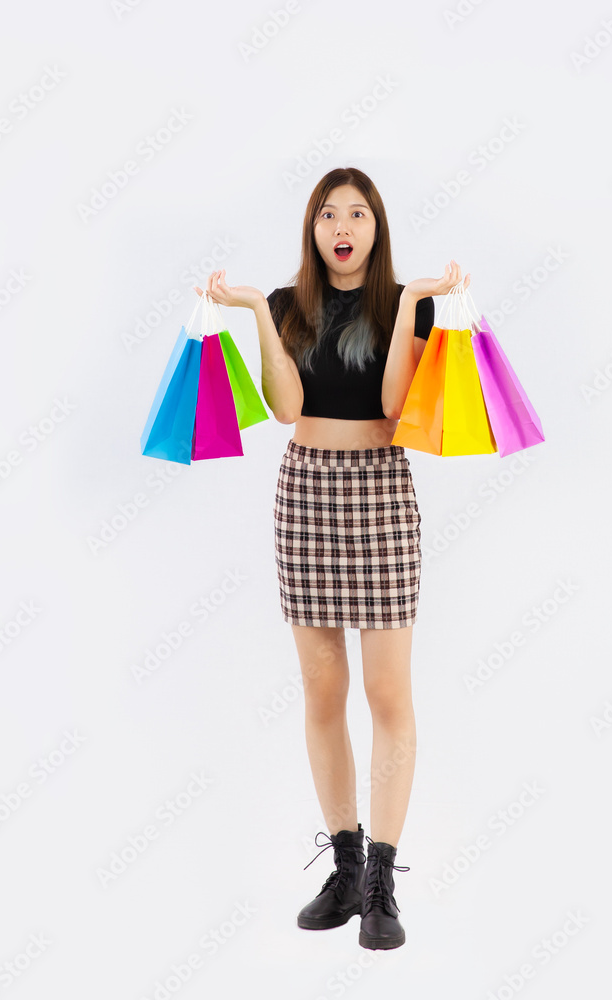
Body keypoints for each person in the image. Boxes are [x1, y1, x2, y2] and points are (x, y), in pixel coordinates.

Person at [194, 166, 469, 950]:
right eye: (326, 214)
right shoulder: (287, 306)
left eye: (356, 213)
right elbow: (284, 409)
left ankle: (382, 877)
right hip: (306, 493)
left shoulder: (396, 306)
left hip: (380, 494)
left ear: (376, 229)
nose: (340, 225)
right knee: (322, 693)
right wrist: (251, 308)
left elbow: (391, 408)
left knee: (387, 693)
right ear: (312, 229)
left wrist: (417, 301)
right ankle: (345, 868)